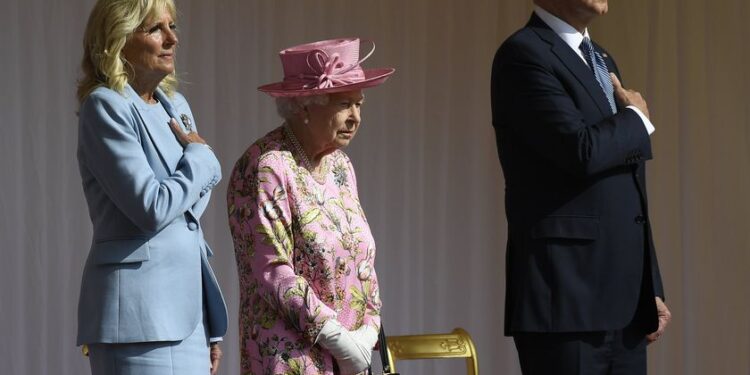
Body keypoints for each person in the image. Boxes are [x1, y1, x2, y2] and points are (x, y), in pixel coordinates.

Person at [490, 1, 671, 373]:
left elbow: (629, 182)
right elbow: (579, 150)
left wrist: (649, 284)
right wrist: (636, 118)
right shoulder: (524, 53)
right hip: (567, 300)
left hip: (625, 306)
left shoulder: (603, 59)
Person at [75, 0, 227, 374]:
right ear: (118, 39)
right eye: (155, 29)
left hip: (189, 317)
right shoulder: (106, 106)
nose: (172, 38)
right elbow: (152, 208)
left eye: (173, 26)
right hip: (138, 321)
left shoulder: (175, 105)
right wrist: (202, 157)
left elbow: (188, 213)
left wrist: (208, 326)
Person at [227, 37, 394, 375]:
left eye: (359, 104)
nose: (355, 117)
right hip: (292, 360)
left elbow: (362, 256)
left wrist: (368, 331)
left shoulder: (341, 166)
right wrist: (337, 339)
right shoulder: (266, 166)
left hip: (351, 360)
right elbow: (272, 271)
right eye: (344, 104)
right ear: (304, 106)